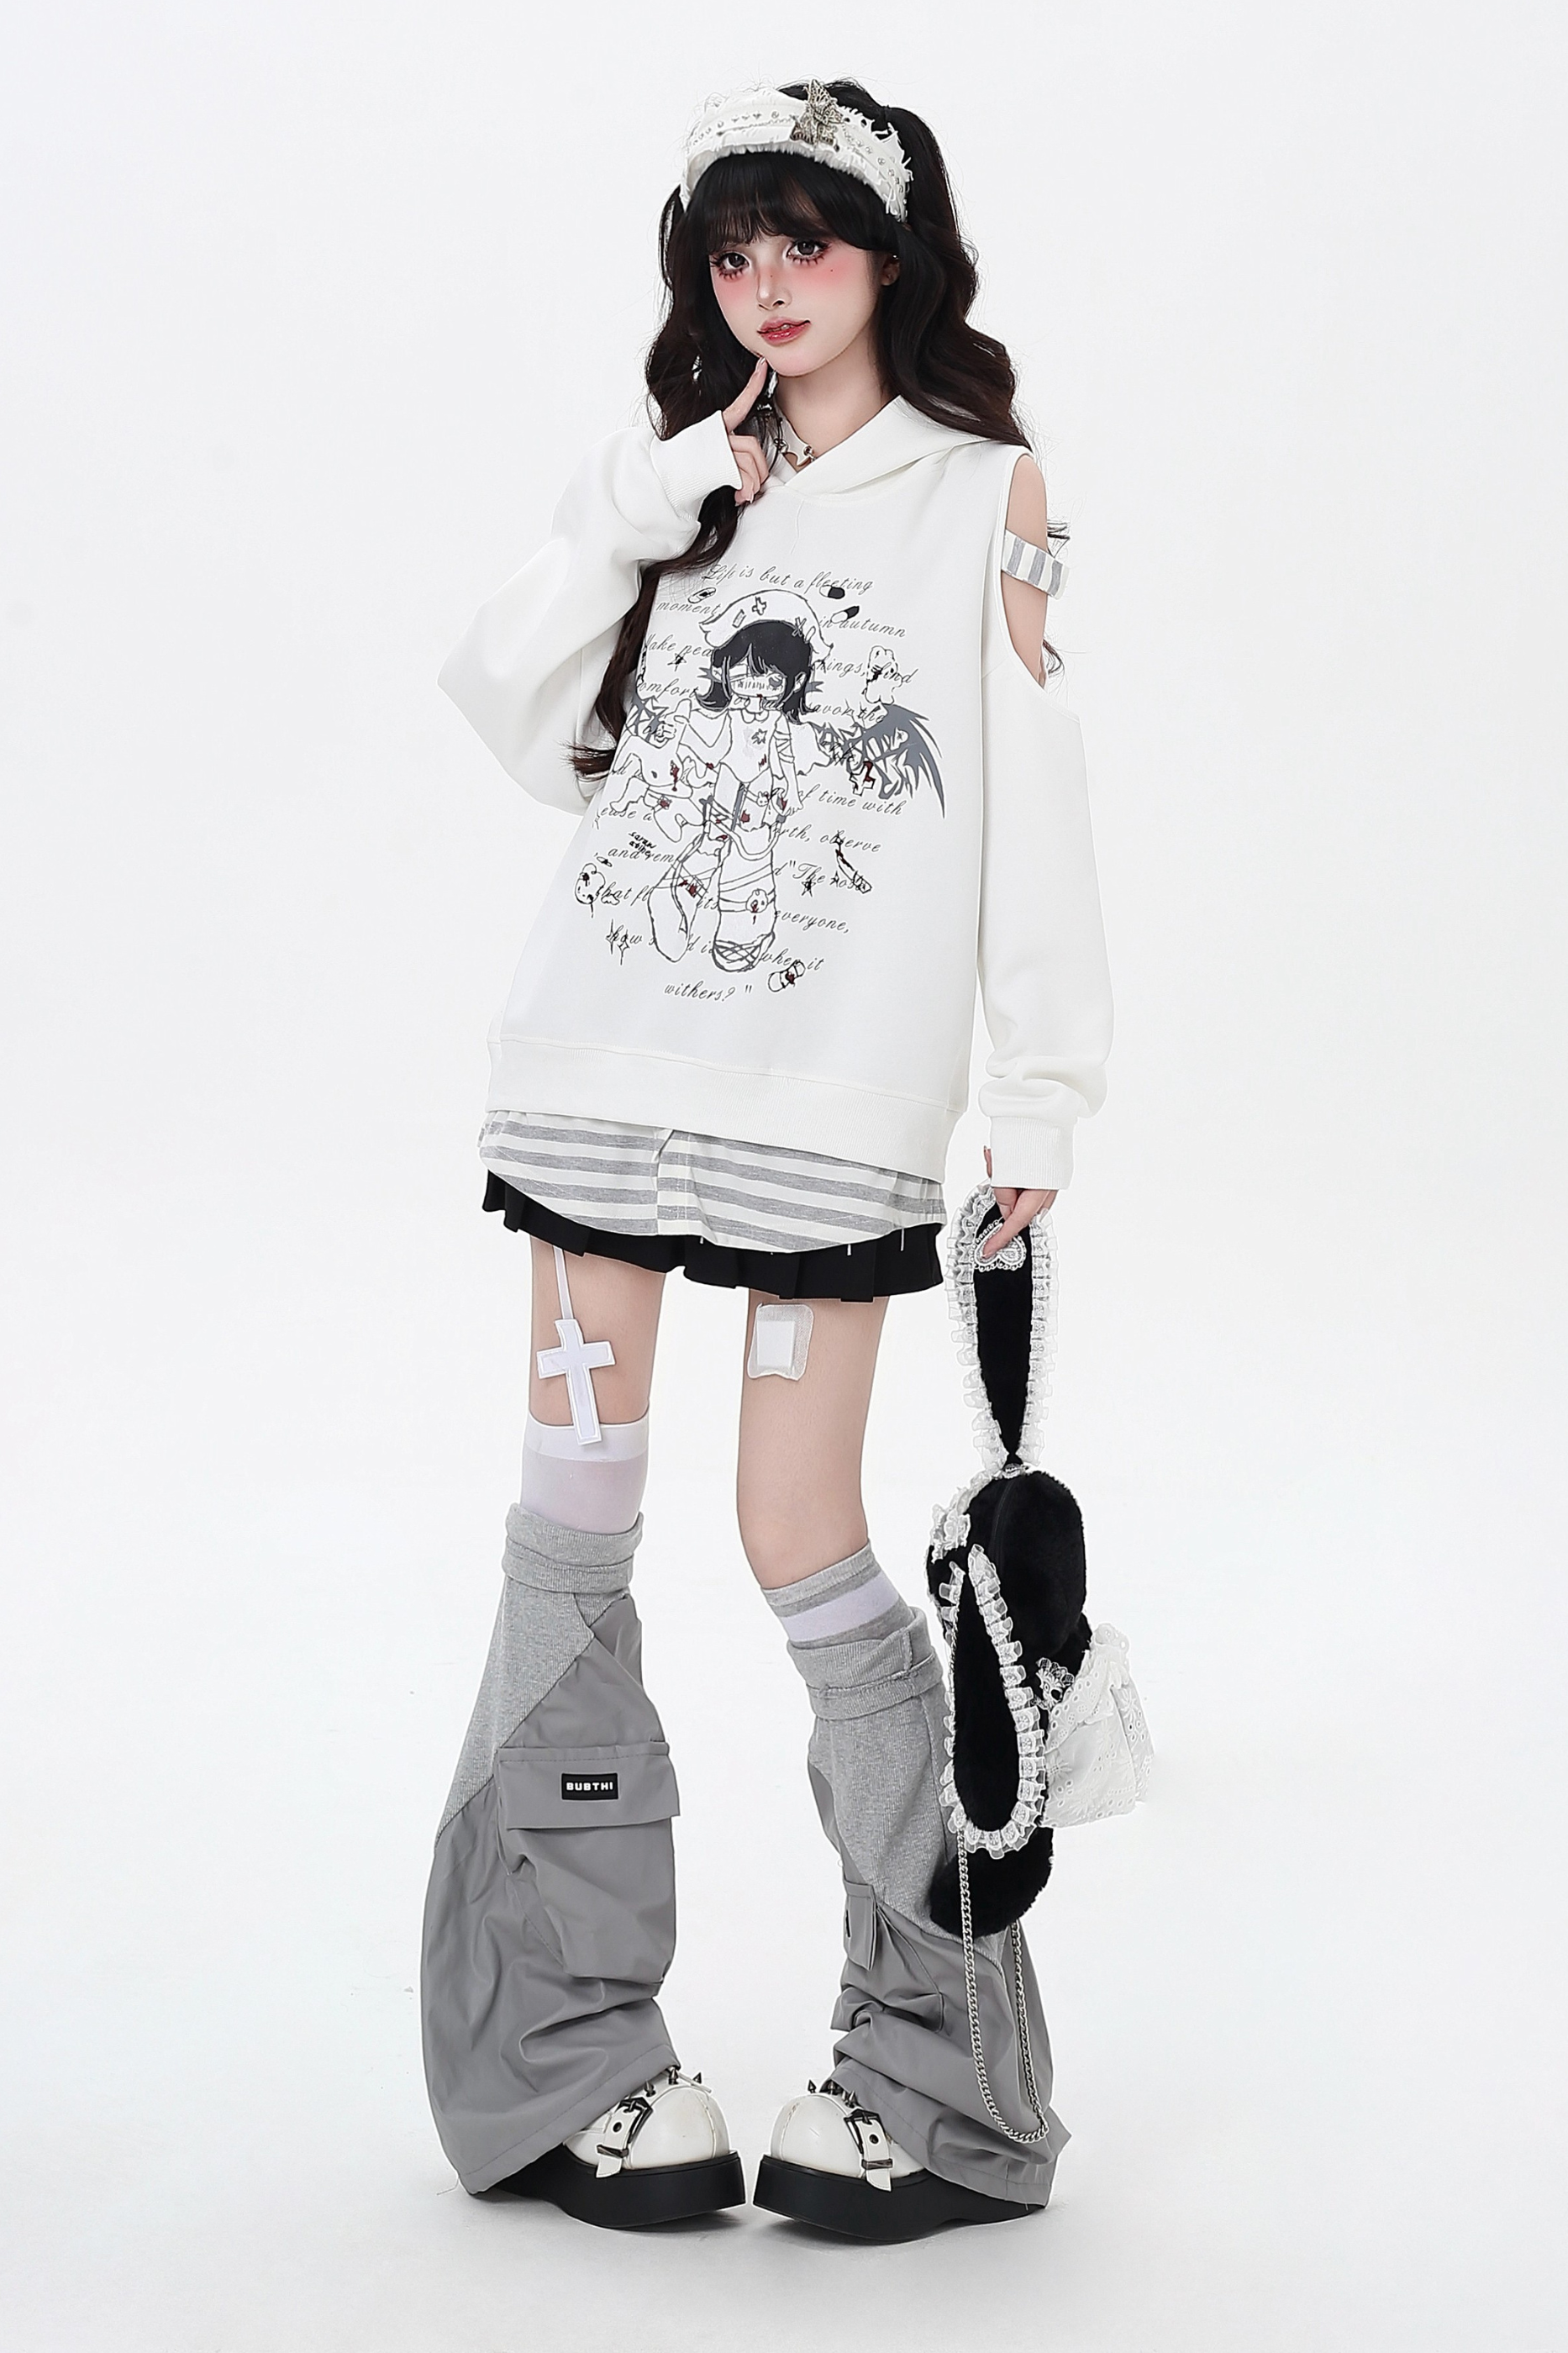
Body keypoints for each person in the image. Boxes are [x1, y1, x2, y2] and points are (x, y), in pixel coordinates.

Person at [420, 77, 1113, 2242]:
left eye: (807, 242)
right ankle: (561, 2060)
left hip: (825, 1105)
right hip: (602, 1067)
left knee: (798, 1538)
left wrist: (1040, 1096)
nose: (768, 286)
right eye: (734, 252)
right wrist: (647, 496)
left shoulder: (983, 497)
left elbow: (1037, 801)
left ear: (893, 256)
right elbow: (508, 703)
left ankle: (932, 2072)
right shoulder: (683, 489)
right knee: (573, 1522)